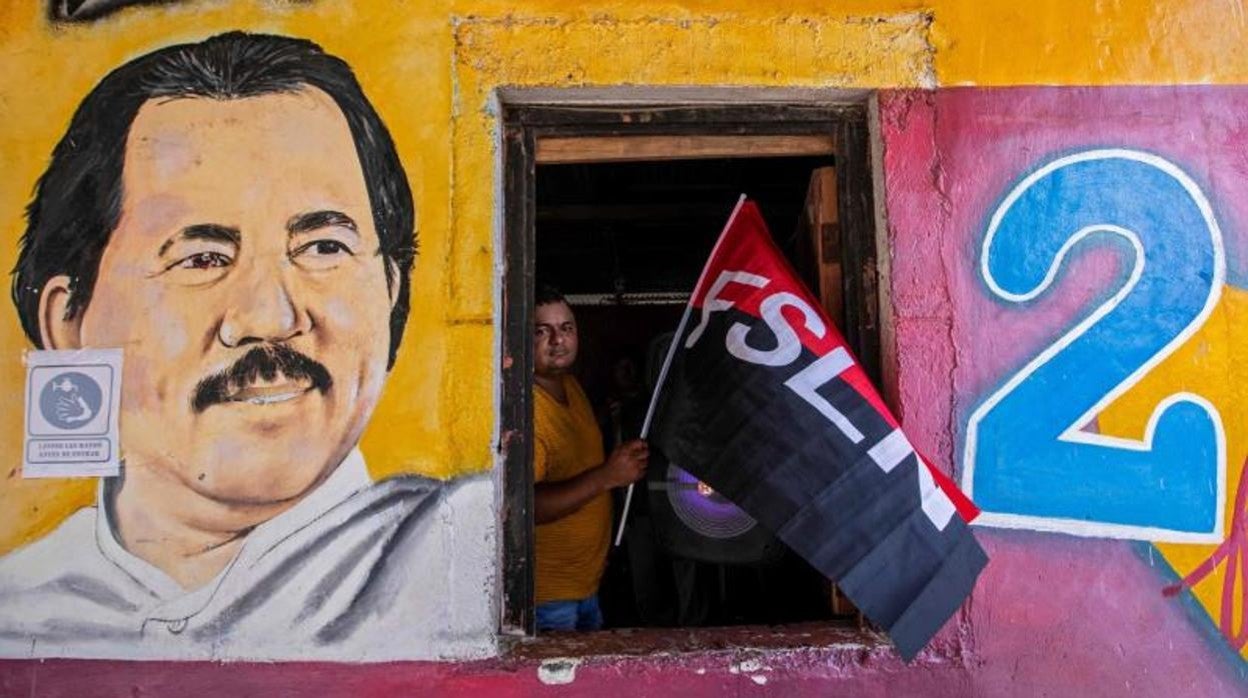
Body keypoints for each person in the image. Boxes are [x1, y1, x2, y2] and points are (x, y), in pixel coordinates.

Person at [0, 31, 487, 661]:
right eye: (202, 258)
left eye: (322, 248)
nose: (270, 317)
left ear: (390, 288)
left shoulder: (464, 546)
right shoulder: (22, 606)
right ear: (69, 321)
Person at [531, 285, 648, 631]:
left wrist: (608, 412)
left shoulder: (570, 386)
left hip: (585, 587)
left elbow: (569, 451)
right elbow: (528, 506)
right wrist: (608, 476)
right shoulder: (526, 407)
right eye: (542, 331)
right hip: (548, 598)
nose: (558, 340)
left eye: (566, 328)